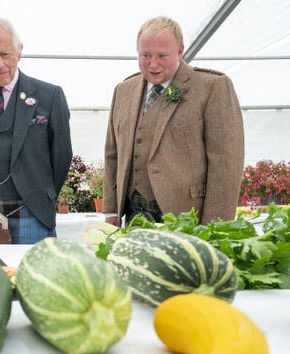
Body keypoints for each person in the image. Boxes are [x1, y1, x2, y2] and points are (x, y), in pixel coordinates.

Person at [103, 16, 244, 226]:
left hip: (188, 218)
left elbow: (226, 165)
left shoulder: (212, 86)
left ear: (180, 51)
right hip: (134, 217)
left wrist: (214, 227)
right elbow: (112, 155)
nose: (153, 64)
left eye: (162, 55)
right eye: (145, 55)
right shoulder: (123, 90)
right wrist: (111, 210)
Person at [0, 17, 73, 245]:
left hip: (31, 212)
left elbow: (62, 155)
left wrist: (40, 194)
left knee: (32, 280)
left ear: (19, 51)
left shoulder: (50, 96)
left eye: (5, 54)